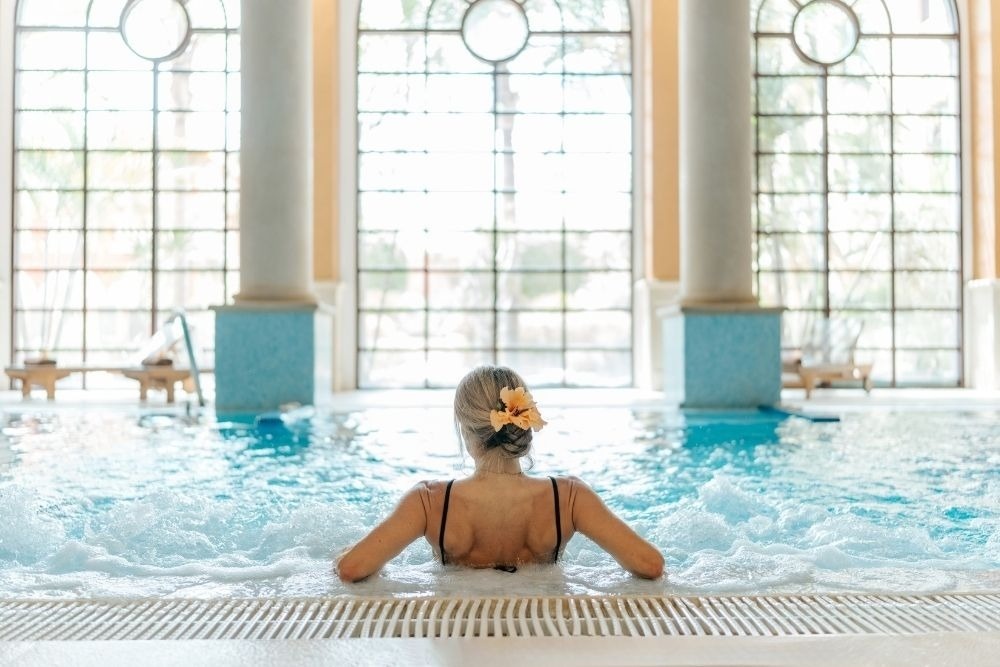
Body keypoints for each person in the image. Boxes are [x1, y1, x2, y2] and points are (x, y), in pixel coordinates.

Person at [335, 365, 664, 582]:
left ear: (466, 430)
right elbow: (650, 564)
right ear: (524, 422)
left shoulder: (430, 502)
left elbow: (352, 569)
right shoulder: (569, 498)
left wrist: (342, 554)